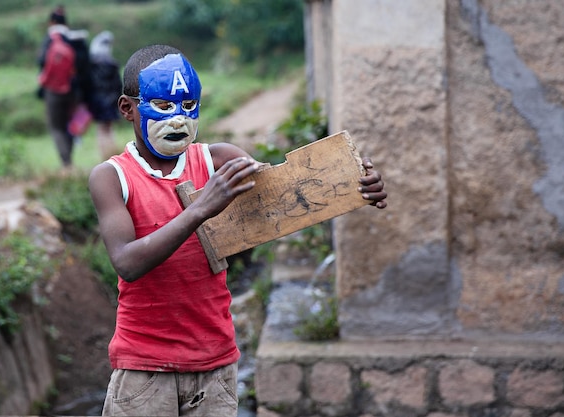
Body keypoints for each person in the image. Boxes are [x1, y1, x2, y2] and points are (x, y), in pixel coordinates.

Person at [88, 44, 387, 416]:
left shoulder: (219, 161)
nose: (179, 120)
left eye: (188, 106)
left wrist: (354, 183)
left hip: (215, 366)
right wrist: (200, 209)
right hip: (145, 372)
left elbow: (289, 195)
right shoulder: (112, 177)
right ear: (127, 109)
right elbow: (127, 263)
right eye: (163, 107)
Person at [37, 5, 91, 169]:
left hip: (54, 91)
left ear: (51, 22)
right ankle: (69, 160)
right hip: (73, 91)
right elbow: (85, 65)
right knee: (70, 125)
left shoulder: (50, 40)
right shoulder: (74, 40)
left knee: (56, 127)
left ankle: (66, 163)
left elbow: (41, 62)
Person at [88, 30, 122, 160]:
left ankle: (106, 156)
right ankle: (111, 154)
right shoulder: (113, 65)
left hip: (98, 102)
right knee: (109, 129)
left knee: (101, 130)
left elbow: (90, 85)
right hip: (112, 101)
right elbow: (118, 86)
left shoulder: (93, 66)